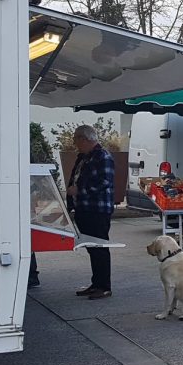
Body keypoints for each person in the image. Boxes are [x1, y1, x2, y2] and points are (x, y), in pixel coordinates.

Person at [68, 125, 115, 299]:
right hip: (84, 208)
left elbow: (105, 182)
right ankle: (96, 283)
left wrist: (80, 190)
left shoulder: (103, 156)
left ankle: (104, 286)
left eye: (76, 139)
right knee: (91, 247)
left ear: (84, 139)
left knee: (99, 247)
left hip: (98, 210)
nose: (74, 143)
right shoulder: (84, 157)